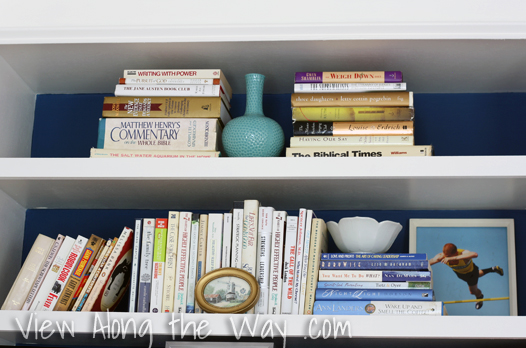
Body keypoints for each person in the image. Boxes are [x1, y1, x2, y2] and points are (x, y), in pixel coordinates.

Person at [429, 243, 504, 309]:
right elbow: (429, 262)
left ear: (456, 253)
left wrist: (453, 258)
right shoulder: (442, 256)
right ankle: (492, 269)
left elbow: (475, 254)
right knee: (478, 274)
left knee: (472, 291)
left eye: (449, 256)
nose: (447, 258)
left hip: (471, 273)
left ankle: (480, 297)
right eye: (446, 256)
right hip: (461, 274)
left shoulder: (463, 254)